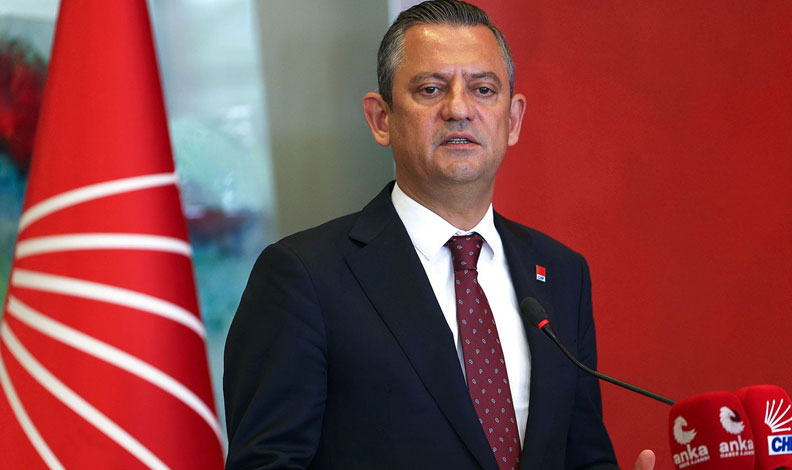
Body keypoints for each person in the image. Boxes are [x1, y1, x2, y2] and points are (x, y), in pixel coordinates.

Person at [224, 1, 655, 469]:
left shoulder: (562, 274)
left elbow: (583, 455)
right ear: (381, 119)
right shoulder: (303, 278)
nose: (459, 109)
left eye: (483, 89)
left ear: (512, 120)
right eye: (431, 89)